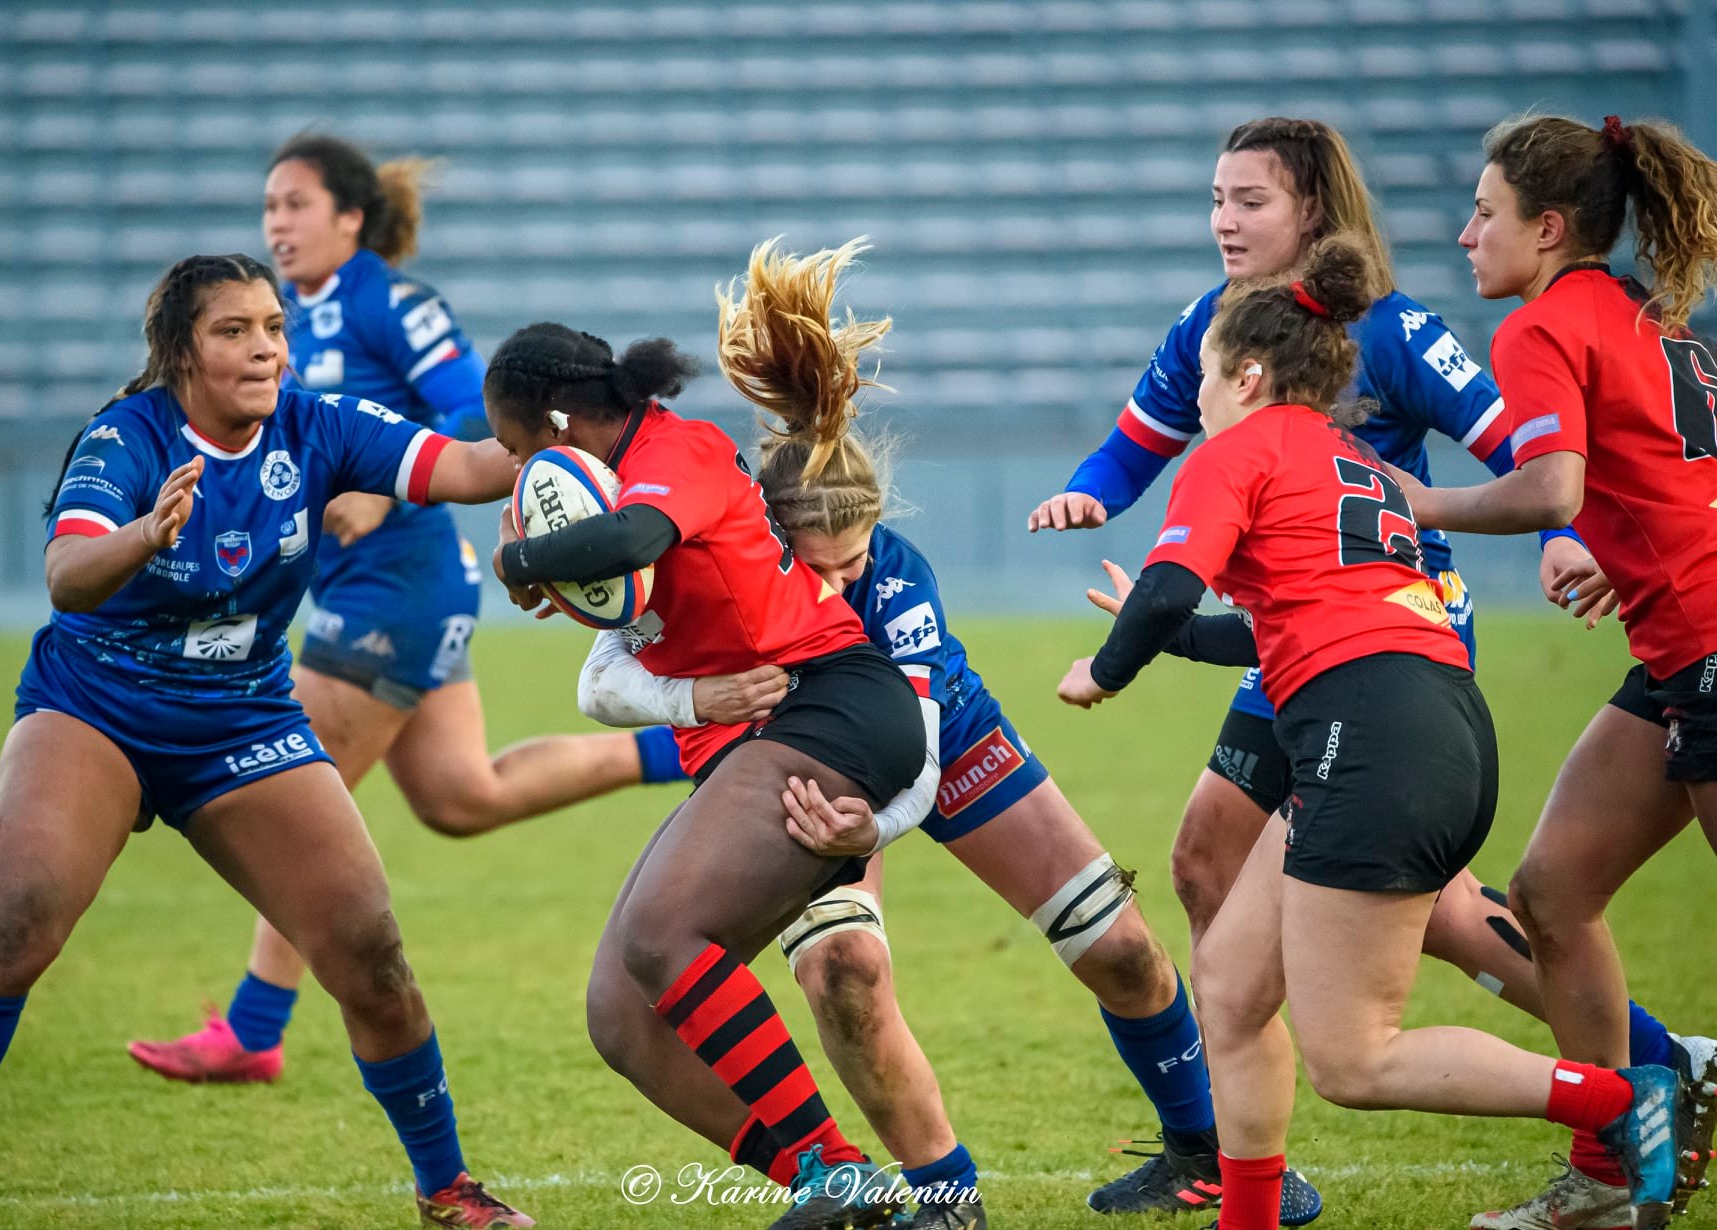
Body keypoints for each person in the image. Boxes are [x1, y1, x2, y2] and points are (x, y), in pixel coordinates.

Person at [1024, 116, 1700, 1212]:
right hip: (1315, 648)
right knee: (1222, 895)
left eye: (1249, 200)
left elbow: (1524, 450)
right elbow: (1137, 446)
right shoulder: (1221, 332)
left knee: (1366, 990)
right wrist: (1095, 495)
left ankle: (1638, 1074)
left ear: (1314, 213)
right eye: (1215, 199)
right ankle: (1248, 1174)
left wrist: (1558, 534)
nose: (1224, 221)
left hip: (1382, 650)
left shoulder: (1389, 336)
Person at [573, 238, 1320, 1228]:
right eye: (818, 568)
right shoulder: (729, 561)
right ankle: (944, 1198)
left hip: (941, 744)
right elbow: (604, 671)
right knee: (844, 971)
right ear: (769, 532)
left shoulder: (898, 578)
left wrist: (868, 832)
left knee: (1121, 949)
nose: (838, 588)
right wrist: (693, 704)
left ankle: (1201, 1151)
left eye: (853, 563)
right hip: (806, 758)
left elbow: (920, 753)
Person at [0, 255, 534, 1229]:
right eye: (234, 331)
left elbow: (467, 467)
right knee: (16, 920)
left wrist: (571, 436)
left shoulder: (317, 424)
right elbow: (66, 575)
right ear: (180, 351)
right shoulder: (125, 436)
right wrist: (146, 533)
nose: (265, 346)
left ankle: (448, 1189)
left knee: (372, 955)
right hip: (96, 708)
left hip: (241, 720)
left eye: (272, 325)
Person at [128, 135, 686, 1087]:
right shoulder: (282, 321)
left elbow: (484, 418)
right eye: (269, 207)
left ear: (350, 218)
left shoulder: (392, 302)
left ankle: (254, 1030)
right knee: (462, 796)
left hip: (403, 588)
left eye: (295, 205)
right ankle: (688, 746)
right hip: (353, 586)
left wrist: (387, 490)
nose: (277, 223)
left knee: (286, 797)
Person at [485, 320, 928, 1230]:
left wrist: (518, 560)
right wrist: (688, 696)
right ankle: (823, 1181)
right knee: (622, 1016)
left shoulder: (673, 455)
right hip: (762, 739)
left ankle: (838, 1170)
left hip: (830, 704)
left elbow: (632, 536)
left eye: (515, 449)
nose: (514, 472)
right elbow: (603, 674)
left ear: (559, 427)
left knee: (661, 933)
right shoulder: (611, 492)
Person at [1392, 112, 1717, 1228]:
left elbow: (1550, 492)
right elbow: (1666, 478)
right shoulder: (1644, 315)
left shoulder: (1541, 326)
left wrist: (1412, 503)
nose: (1466, 233)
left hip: (1712, 645)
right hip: (1683, 646)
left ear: (1549, 228)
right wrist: (1635, 568)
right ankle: (1614, 1170)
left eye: (1486, 215)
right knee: (1551, 893)